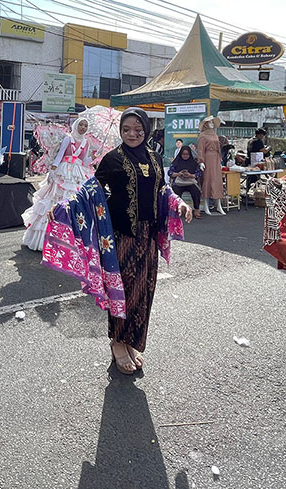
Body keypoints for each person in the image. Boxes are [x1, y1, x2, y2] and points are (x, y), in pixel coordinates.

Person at [95, 108, 192, 374]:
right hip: (121, 235)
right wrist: (64, 207)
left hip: (148, 235)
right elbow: (91, 191)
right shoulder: (112, 159)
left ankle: (132, 339)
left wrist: (179, 203)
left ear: (146, 130)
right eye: (126, 129)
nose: (132, 134)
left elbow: (162, 188)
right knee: (121, 289)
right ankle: (117, 341)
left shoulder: (154, 157)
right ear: (120, 131)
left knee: (144, 289)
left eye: (138, 129)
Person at [22, 117, 94, 250]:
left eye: (86, 126)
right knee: (55, 199)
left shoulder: (86, 142)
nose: (83, 127)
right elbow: (60, 155)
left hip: (77, 174)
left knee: (75, 202)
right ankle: (48, 238)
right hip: (64, 171)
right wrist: (53, 171)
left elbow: (84, 161)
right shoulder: (68, 138)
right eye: (81, 124)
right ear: (76, 125)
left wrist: (94, 157)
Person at [197, 116, 225, 215]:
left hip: (216, 159)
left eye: (213, 123)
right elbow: (200, 149)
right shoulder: (202, 136)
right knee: (207, 180)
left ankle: (218, 205)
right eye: (210, 123)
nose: (212, 124)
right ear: (205, 124)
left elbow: (218, 148)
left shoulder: (215, 134)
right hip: (207, 158)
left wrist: (220, 160)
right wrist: (201, 161)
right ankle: (205, 205)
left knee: (217, 180)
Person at [169, 145, 202, 218]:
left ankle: (196, 210)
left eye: (187, 154)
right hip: (179, 182)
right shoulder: (176, 162)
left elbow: (199, 174)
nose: (185, 156)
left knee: (196, 191)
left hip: (190, 182)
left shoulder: (194, 163)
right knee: (175, 191)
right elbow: (170, 173)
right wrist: (179, 174)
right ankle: (177, 210)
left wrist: (190, 175)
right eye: (183, 154)